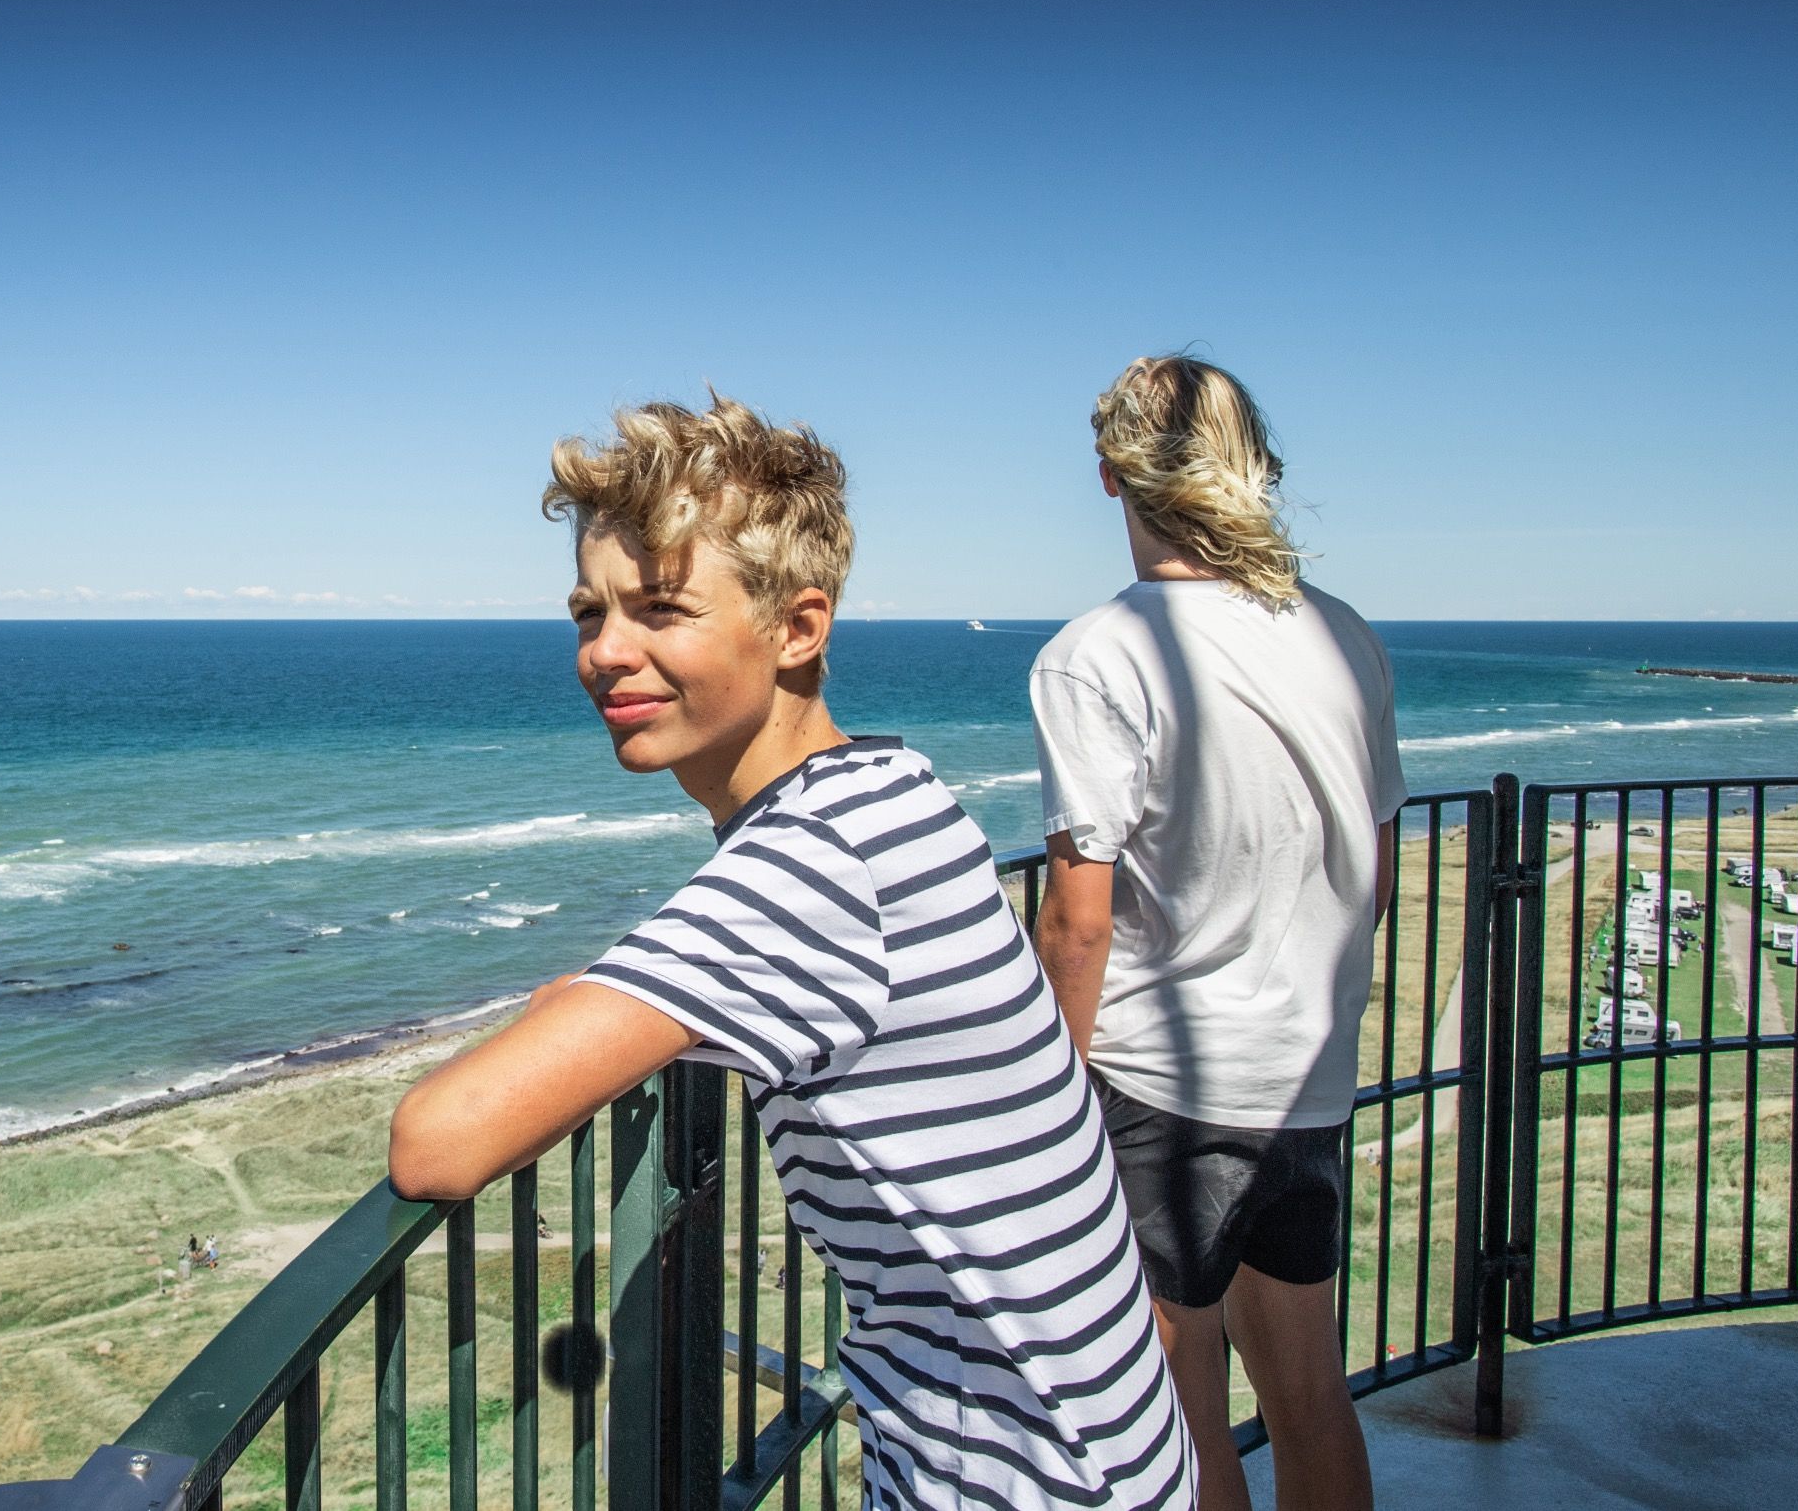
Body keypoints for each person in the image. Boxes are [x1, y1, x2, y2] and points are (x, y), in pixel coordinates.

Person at [390, 395, 1194, 1511]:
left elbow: (437, 1142)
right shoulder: (889, 790)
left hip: (1009, 1477)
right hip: (1103, 1444)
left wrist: (581, 1015)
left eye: (662, 608)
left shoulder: (808, 870)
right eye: (590, 612)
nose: (607, 654)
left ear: (799, 628)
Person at [1028, 356, 1404, 1511]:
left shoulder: (1098, 655)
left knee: (1179, 1415)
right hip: (1309, 1076)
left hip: (1163, 1091)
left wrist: (1051, 1095)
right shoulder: (1341, 635)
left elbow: (1078, 924)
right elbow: (1374, 873)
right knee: (1305, 1386)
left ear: (1108, 476)